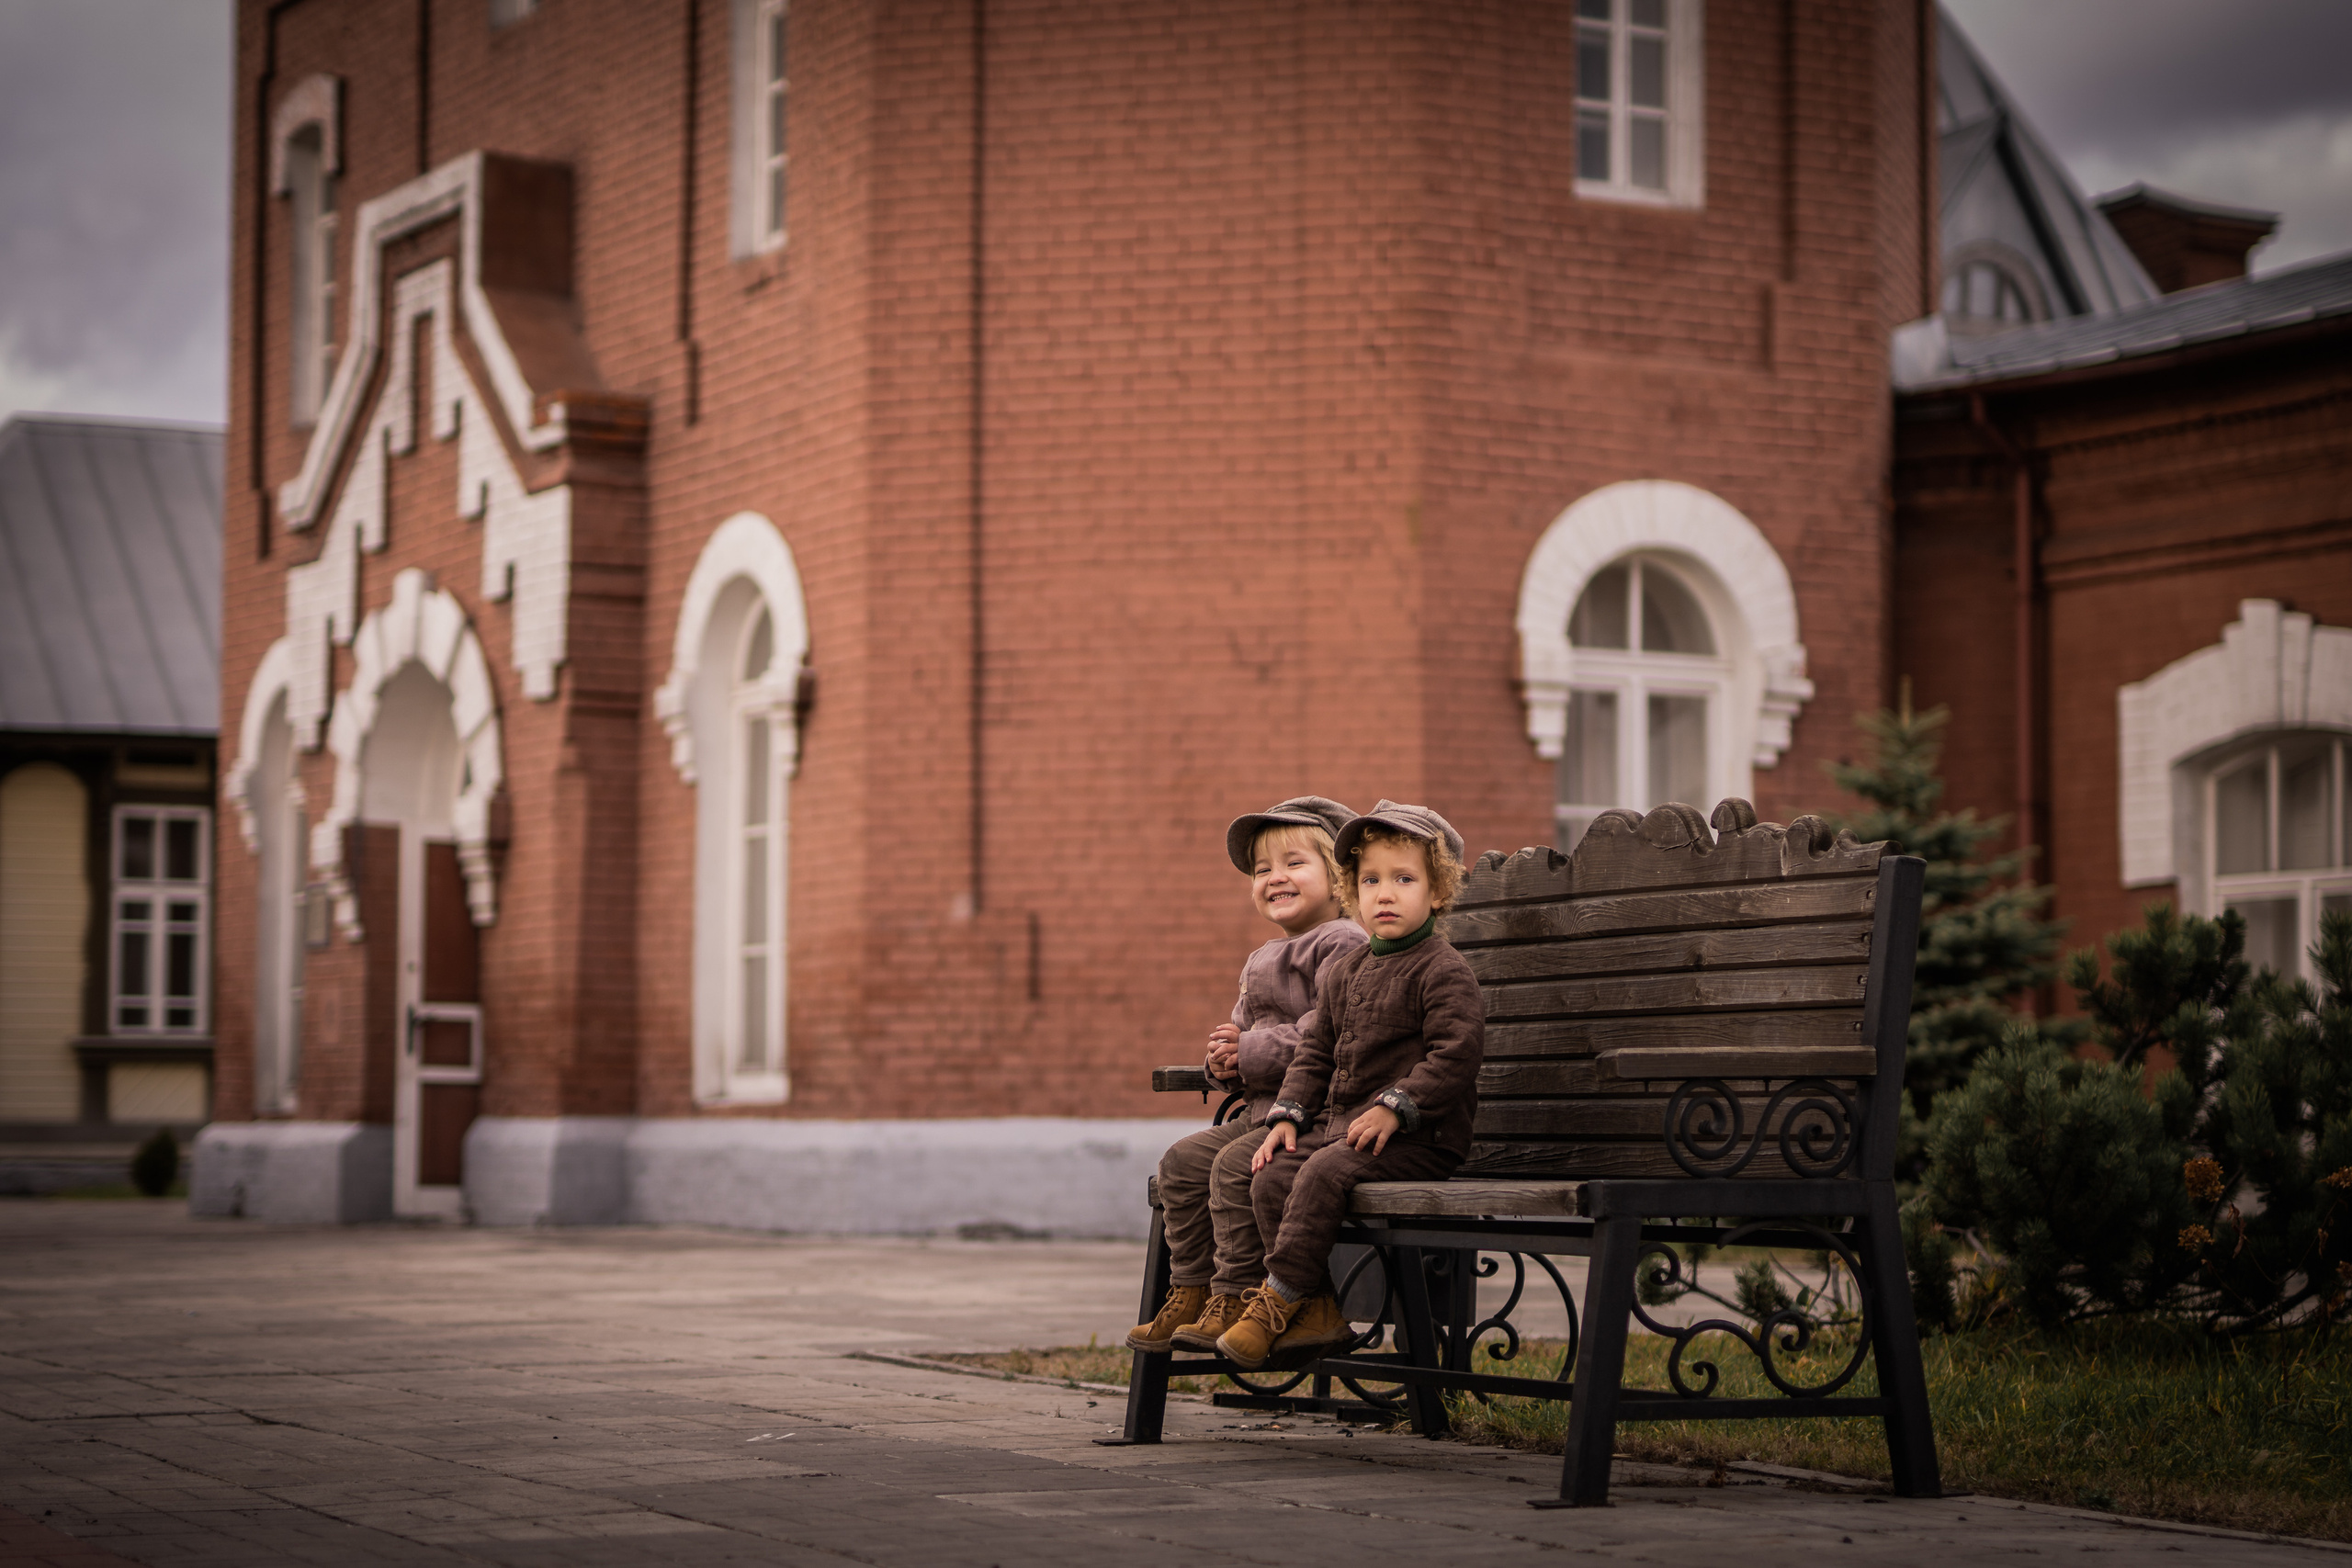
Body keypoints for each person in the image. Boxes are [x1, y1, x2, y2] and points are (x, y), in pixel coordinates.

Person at [1218, 800, 1483, 1371]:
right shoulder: (1347, 969)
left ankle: (1274, 1302)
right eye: (1370, 881)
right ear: (1352, 891)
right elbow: (1314, 1053)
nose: (1384, 894)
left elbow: (1454, 1055)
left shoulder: (1443, 970)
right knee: (1270, 1173)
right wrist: (1287, 1115)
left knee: (1322, 1171)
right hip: (1345, 1131)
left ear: (1437, 892)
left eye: (1403, 880)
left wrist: (1396, 1108)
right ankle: (1316, 1309)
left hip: (1419, 1140)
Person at [1126, 796, 1368, 1355]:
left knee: (1237, 1168)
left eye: (1293, 864)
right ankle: (1192, 1289)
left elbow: (1330, 1032)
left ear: (1339, 883)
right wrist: (1223, 1061)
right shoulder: (1264, 956)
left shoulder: (1343, 943)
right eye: (1263, 870)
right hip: (1262, 1112)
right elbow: (1246, 1032)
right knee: (1183, 1163)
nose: (1274, 878)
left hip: (1321, 1117)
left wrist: (1252, 1050)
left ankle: (1243, 1296)